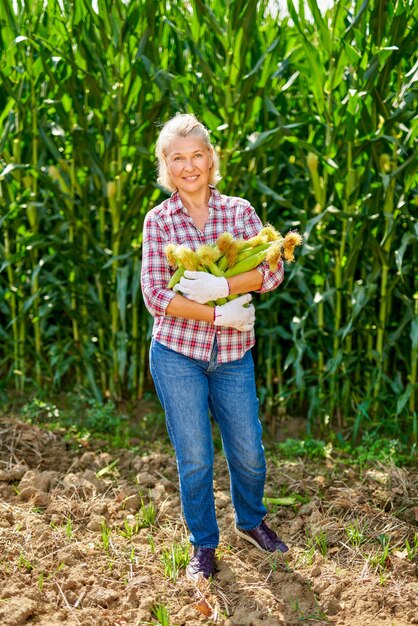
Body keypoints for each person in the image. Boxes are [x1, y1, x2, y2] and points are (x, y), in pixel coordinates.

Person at [141, 113, 289, 582]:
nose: (189, 166)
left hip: (231, 357)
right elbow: (156, 295)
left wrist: (223, 282)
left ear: (211, 158)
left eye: (197, 155)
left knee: (248, 451)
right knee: (196, 457)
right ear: (166, 165)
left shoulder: (240, 212)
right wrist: (216, 311)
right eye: (178, 158)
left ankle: (251, 522)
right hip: (177, 354)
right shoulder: (158, 221)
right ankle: (203, 543)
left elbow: (272, 270)